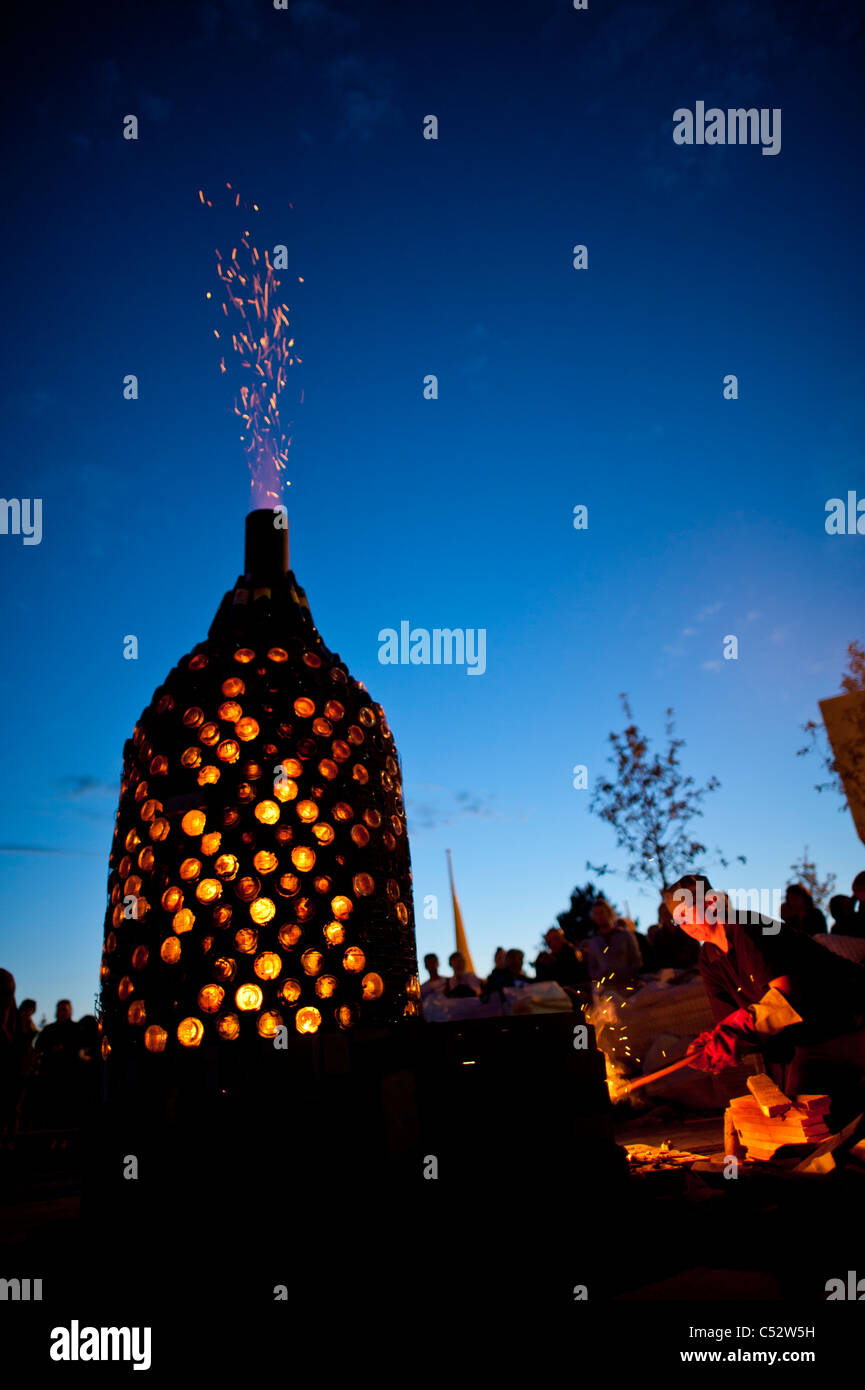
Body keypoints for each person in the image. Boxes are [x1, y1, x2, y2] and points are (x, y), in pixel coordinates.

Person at [665, 874, 865, 1123]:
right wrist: (714, 1045)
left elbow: (785, 1001)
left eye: (687, 911)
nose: (684, 924)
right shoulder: (709, 959)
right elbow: (730, 1021)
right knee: (798, 1122)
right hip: (806, 1038)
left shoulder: (747, 926)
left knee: (828, 1119)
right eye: (678, 920)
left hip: (849, 1017)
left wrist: (736, 1031)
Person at [587, 899, 642, 990]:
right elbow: (592, 968)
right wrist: (600, 977)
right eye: (596, 914)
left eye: (601, 912)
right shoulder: (594, 941)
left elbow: (636, 961)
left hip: (628, 986)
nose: (599, 916)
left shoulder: (625, 935)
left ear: (609, 913)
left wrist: (625, 973)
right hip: (606, 990)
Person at [644, 900, 700, 971]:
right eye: (665, 913)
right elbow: (656, 961)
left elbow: (696, 959)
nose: (669, 916)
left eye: (670, 912)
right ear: (661, 917)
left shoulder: (688, 932)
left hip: (689, 975)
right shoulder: (658, 936)